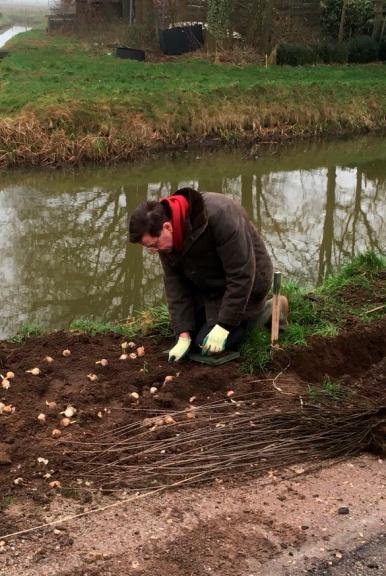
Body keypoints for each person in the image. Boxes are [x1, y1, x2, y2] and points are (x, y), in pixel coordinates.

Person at [129, 187, 287, 362]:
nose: (155, 250)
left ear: (167, 227)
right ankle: (212, 321)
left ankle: (267, 310)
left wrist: (224, 326)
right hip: (211, 285)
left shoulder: (221, 215)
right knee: (191, 339)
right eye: (150, 248)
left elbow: (241, 275)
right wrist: (182, 333)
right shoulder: (165, 237)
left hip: (250, 283)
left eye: (155, 245)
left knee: (206, 347)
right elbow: (175, 284)